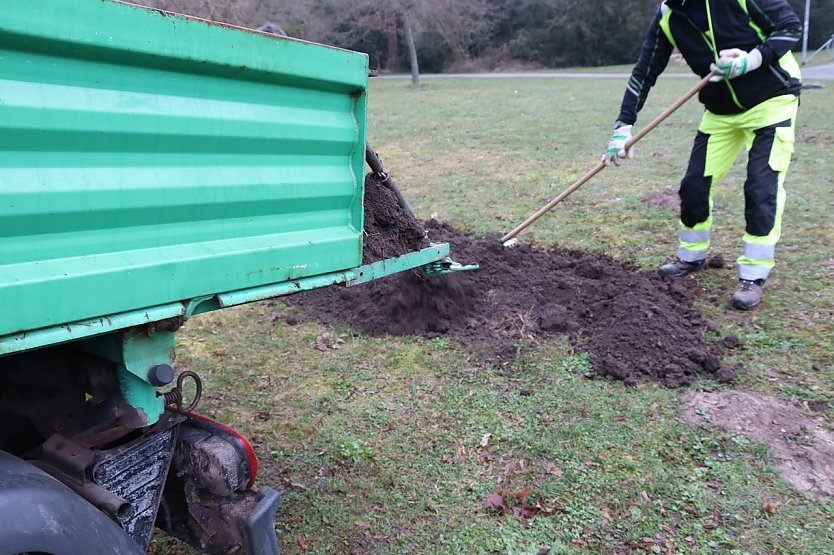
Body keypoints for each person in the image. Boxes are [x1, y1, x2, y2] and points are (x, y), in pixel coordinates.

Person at [604, 0, 802, 310]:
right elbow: (645, 71)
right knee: (695, 185)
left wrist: (750, 60)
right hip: (720, 111)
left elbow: (790, 28)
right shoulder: (668, 16)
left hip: (771, 101)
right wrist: (623, 125)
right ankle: (691, 257)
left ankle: (753, 274)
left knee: (761, 187)